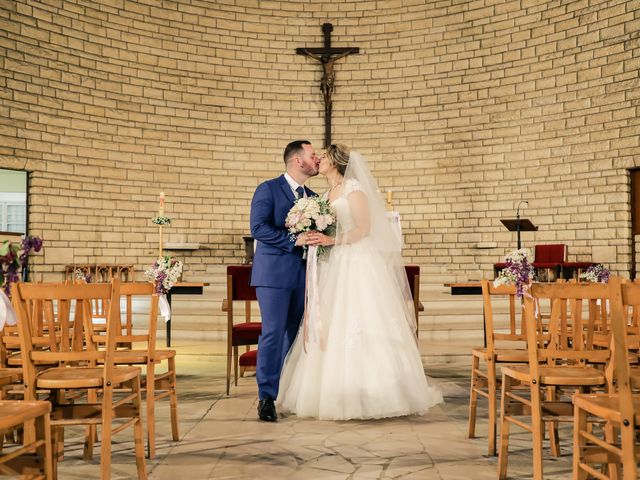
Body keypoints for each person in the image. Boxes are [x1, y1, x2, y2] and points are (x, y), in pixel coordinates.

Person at [277, 144, 443, 420]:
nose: (319, 161)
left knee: (362, 320)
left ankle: (376, 392)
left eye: (325, 158)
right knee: (329, 324)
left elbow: (365, 229)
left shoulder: (353, 187)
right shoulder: (324, 195)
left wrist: (333, 240)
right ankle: (332, 391)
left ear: (337, 162)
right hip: (332, 264)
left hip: (355, 262)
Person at [249, 140, 319, 422]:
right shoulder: (268, 189)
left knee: (296, 334)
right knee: (274, 333)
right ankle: (266, 396)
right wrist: (294, 238)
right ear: (297, 161)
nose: (317, 160)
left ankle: (289, 391)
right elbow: (258, 228)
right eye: (312, 155)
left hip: (304, 275)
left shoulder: (314, 197)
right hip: (274, 275)